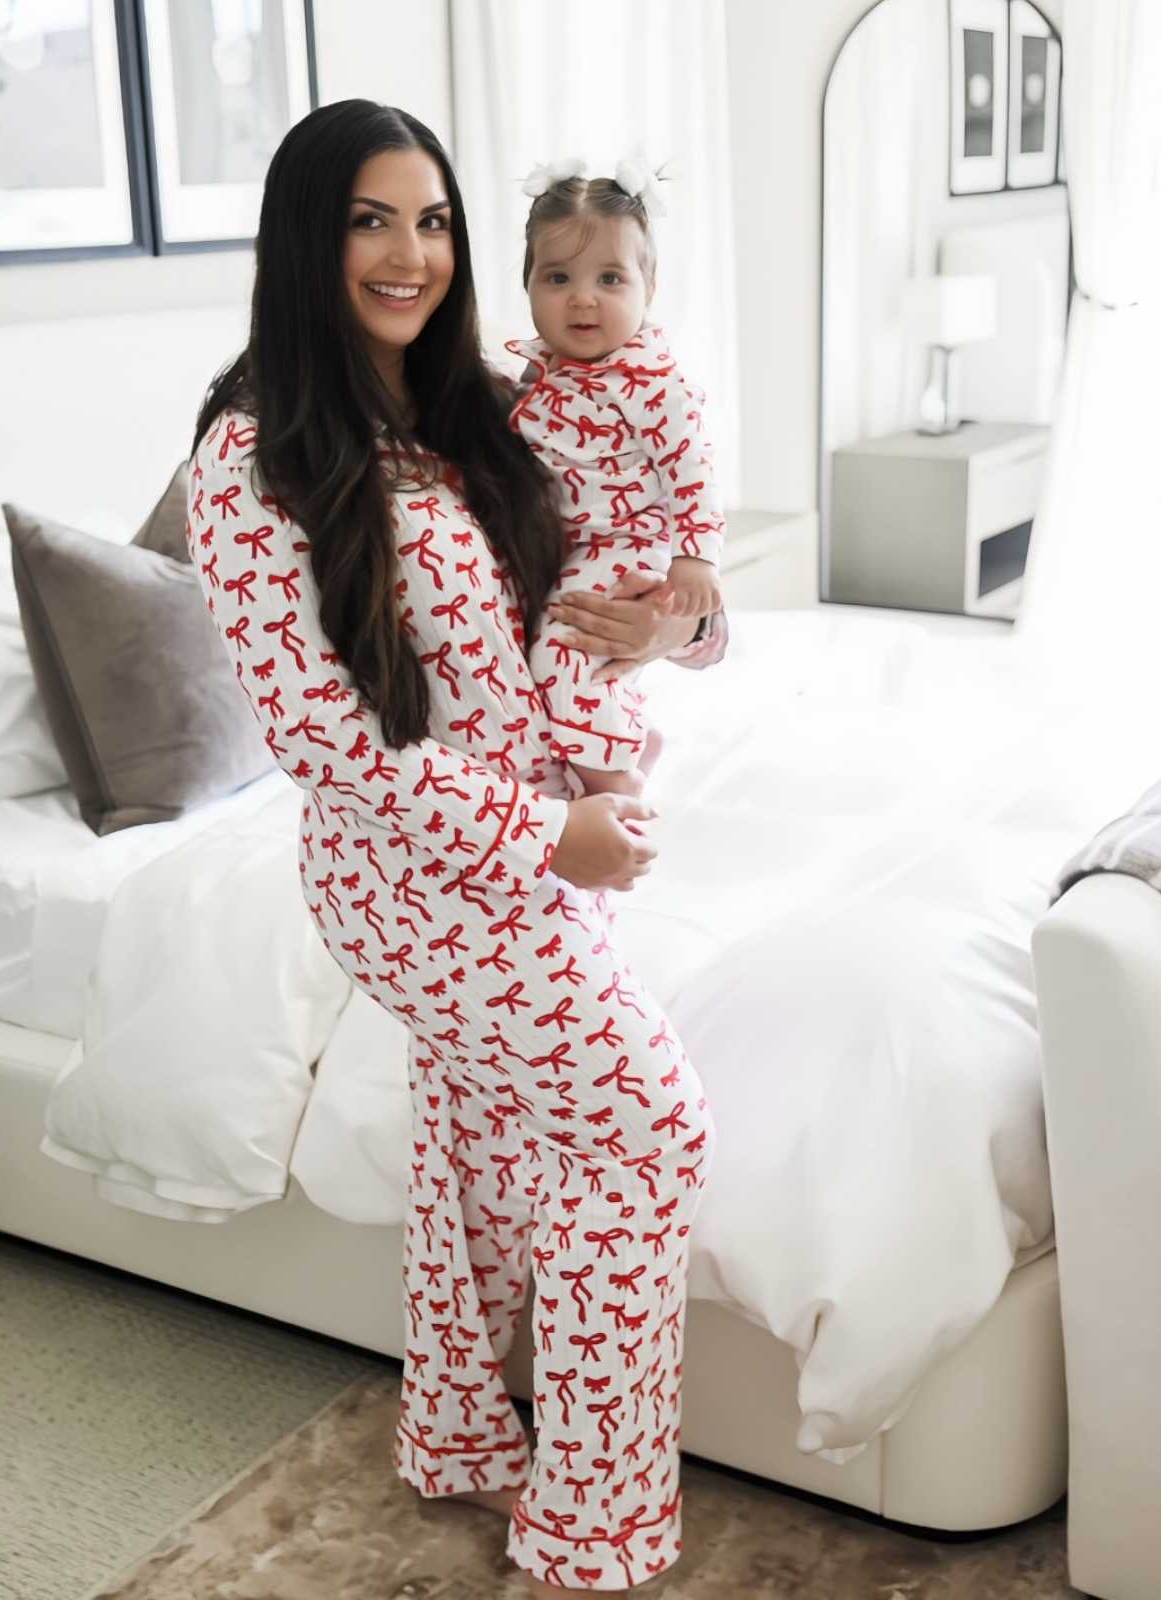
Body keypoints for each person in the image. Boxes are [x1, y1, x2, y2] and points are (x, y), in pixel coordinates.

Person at [188, 101, 718, 1597]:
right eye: (369, 219)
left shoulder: (478, 399)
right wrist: (556, 835)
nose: (409, 251)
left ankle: (462, 1437)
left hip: (545, 837)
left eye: (430, 220)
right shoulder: (251, 459)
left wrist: (684, 619)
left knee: (486, 1142)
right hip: (421, 878)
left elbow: (634, 549)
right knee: (646, 1127)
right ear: (307, 236)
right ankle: (591, 1534)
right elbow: (330, 745)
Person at [507, 159, 725, 800]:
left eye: (609, 277)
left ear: (647, 288)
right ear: (528, 288)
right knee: (559, 658)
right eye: (558, 277)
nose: (583, 296)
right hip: (569, 550)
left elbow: (694, 469)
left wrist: (695, 559)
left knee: (565, 656)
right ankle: (628, 734)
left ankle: (615, 783)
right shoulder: (527, 377)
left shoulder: (652, 381)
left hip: (624, 546)